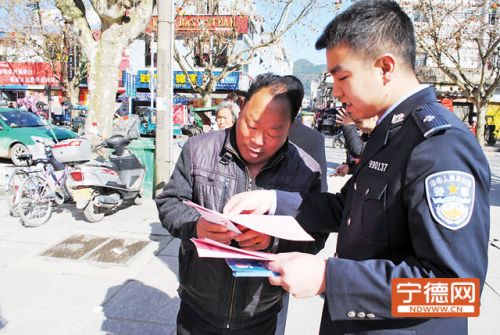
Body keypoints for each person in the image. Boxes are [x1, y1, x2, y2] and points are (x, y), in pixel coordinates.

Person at [223, 1, 490, 334]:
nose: (336, 92)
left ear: (385, 68)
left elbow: (457, 292)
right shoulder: (391, 131)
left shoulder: (438, 146)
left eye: (343, 77)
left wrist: (328, 278)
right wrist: (274, 202)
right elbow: (345, 206)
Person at [155, 73, 327, 334]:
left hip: (261, 309)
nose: (257, 141)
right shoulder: (197, 149)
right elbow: (169, 203)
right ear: (242, 108)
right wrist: (197, 227)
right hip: (198, 304)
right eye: (251, 125)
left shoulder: (306, 171)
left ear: (291, 126)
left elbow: (316, 235)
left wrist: (273, 242)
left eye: (273, 132)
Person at [334, 109, 377, 176]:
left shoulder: (384, 134)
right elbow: (365, 162)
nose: (357, 124)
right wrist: (349, 168)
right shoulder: (367, 134)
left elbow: (358, 151)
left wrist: (348, 125)